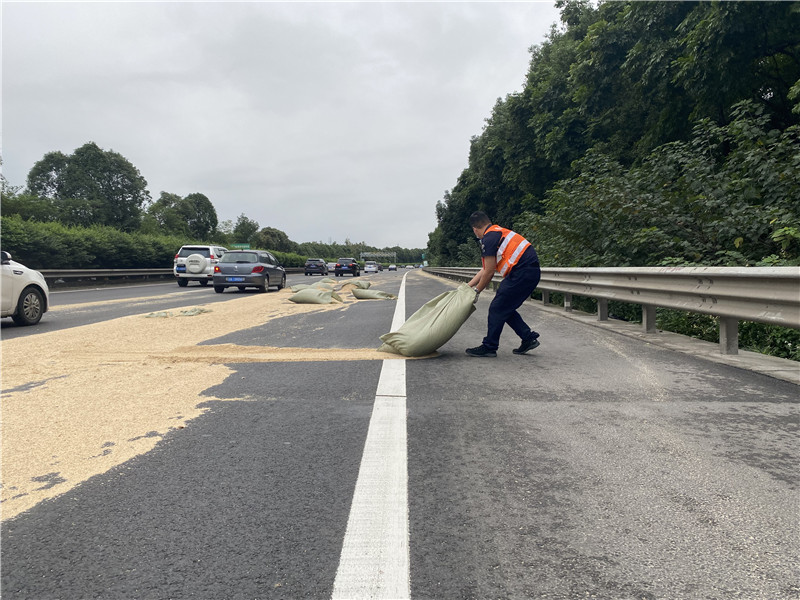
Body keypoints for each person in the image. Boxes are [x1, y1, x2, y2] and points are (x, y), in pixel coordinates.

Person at [465, 211, 541, 357]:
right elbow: (486, 268)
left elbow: (489, 272)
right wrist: (468, 287)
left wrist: (477, 291)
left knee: (497, 307)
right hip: (527, 272)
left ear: (475, 229)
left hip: (522, 272)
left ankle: (489, 346)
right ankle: (528, 338)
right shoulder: (497, 232)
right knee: (505, 307)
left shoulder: (488, 239)